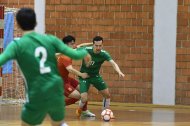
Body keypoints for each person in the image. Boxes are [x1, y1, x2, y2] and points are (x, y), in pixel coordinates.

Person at [0, 8, 91, 126]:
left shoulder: (17, 44)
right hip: (56, 90)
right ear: (36, 23)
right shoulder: (50, 39)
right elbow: (75, 53)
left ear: (18, 24)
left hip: (37, 92)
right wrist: (85, 54)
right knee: (58, 123)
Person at [76, 36, 125, 118]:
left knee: (107, 95)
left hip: (95, 76)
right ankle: (80, 110)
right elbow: (75, 49)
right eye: (96, 45)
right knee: (84, 98)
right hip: (84, 76)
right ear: (93, 45)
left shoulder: (104, 54)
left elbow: (113, 63)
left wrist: (119, 71)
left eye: (100, 46)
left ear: (102, 45)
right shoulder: (86, 50)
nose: (98, 47)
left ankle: (105, 112)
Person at [56, 35, 95, 117]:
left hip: (66, 79)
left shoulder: (70, 50)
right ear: (66, 45)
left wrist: (93, 43)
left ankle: (84, 111)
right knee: (78, 96)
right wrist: (81, 74)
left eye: (74, 43)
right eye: (72, 44)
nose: (74, 46)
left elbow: (81, 45)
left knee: (83, 90)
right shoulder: (64, 57)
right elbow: (70, 69)